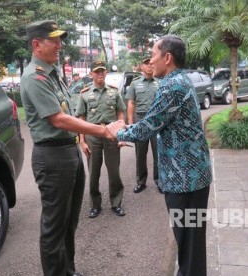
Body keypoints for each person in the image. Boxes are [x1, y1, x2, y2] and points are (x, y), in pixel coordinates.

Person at [107, 34, 213, 276]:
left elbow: (147, 127)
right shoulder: (177, 81)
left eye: (153, 55)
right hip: (189, 177)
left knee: (189, 242)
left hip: (187, 181)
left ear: (168, 57)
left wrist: (118, 131)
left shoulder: (172, 87)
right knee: (189, 242)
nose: (150, 61)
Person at [20, 19, 115, 276]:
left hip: (68, 151)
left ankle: (68, 270)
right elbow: (58, 119)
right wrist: (102, 130)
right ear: (37, 44)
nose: (60, 45)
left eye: (60, 39)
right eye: (55, 40)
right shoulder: (34, 77)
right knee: (54, 226)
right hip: (52, 157)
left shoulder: (52, 73)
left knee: (70, 221)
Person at [76, 60, 127, 218]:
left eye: (102, 71)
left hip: (111, 135)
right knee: (93, 173)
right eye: (96, 71)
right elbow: (81, 119)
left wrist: (121, 134)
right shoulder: (84, 94)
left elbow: (120, 113)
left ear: (105, 73)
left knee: (114, 172)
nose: (100, 74)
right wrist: (82, 141)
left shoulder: (114, 92)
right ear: (91, 74)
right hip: (93, 136)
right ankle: (95, 205)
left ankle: (116, 202)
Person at [125, 57, 162, 194]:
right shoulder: (135, 84)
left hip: (156, 121)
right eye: (147, 64)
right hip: (140, 121)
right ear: (141, 67)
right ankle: (141, 181)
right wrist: (130, 123)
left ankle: (159, 180)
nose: (150, 66)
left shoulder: (160, 82)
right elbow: (131, 103)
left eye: (151, 64)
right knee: (140, 153)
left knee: (158, 152)